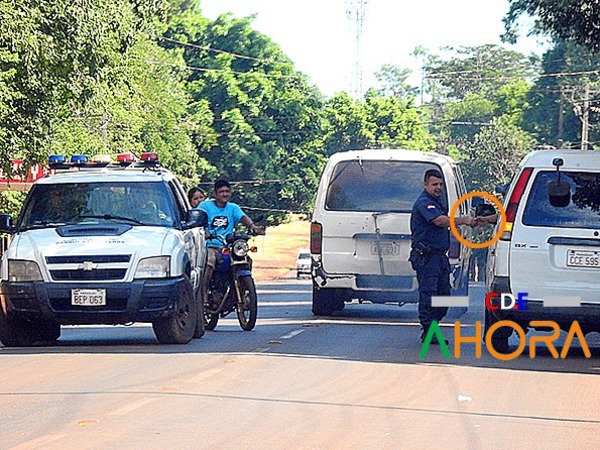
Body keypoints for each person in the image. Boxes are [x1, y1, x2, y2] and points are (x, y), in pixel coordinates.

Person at [410, 169, 474, 344]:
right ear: (425, 185)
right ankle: (429, 331)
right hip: (427, 257)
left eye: (440, 184)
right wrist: (464, 220)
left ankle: (432, 327)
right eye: (434, 184)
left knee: (444, 295)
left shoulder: (438, 202)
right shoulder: (425, 202)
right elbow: (439, 221)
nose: (438, 187)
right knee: (429, 295)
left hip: (439, 257)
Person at [198, 180, 264, 304]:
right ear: (215, 193)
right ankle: (204, 294)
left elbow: (243, 218)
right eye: (221, 192)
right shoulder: (205, 207)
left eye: (227, 191)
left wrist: (253, 227)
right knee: (210, 262)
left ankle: (244, 291)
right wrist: (204, 232)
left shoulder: (233, 208)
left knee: (246, 260)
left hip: (228, 246)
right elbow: (197, 220)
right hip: (211, 245)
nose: (224, 194)